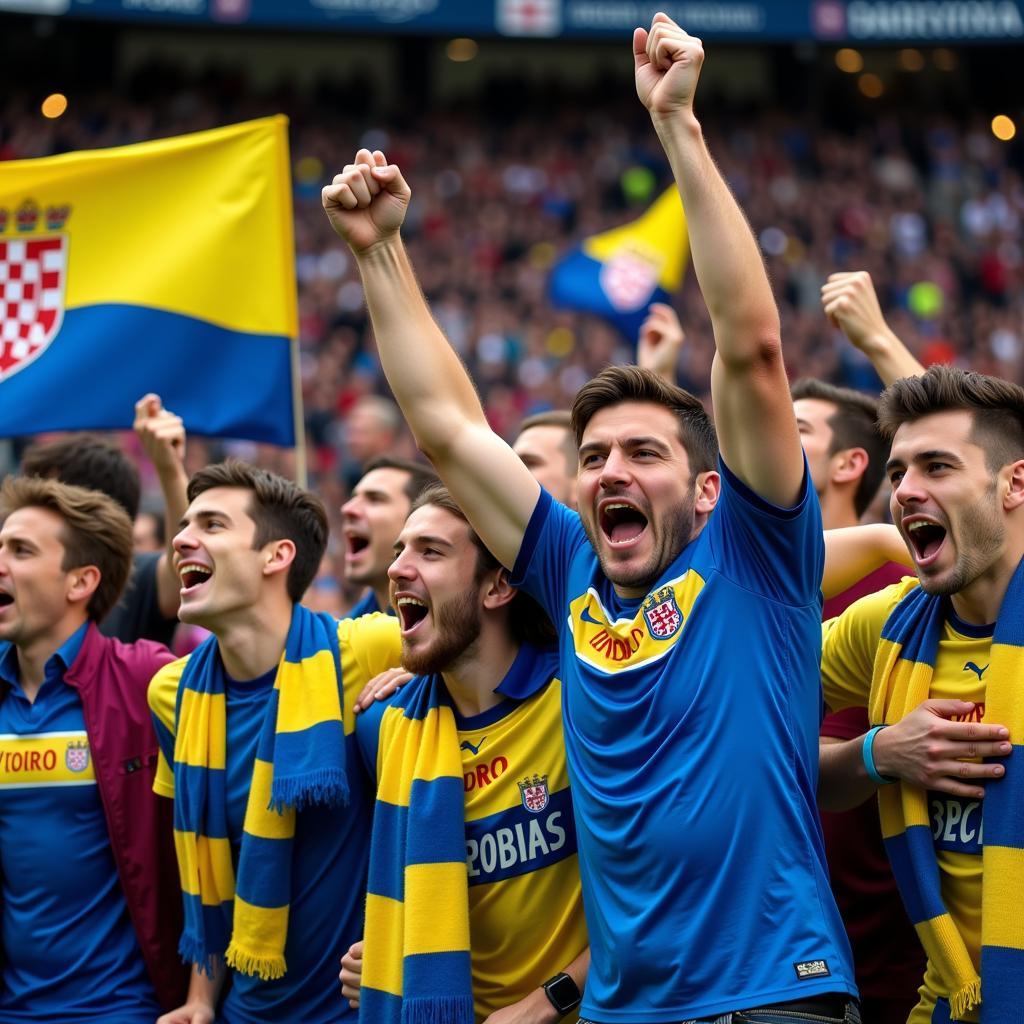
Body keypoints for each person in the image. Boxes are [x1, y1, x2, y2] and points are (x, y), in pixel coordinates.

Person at [323, 15, 856, 1023]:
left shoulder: (757, 557)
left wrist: (677, 126)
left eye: (644, 452)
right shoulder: (566, 567)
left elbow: (747, 347)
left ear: (707, 490)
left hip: (770, 996)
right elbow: (444, 426)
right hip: (620, 1008)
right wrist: (379, 253)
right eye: (596, 454)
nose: (612, 468)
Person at [147, 460, 401, 1024]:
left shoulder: (367, 649)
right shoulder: (170, 692)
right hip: (242, 1011)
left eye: (211, 525)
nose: (181, 539)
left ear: (276, 555)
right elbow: (211, 869)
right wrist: (198, 1001)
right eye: (184, 525)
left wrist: (430, 668)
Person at [818, 364, 1024, 1024]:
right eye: (900, 472)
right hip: (942, 1005)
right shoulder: (889, 623)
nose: (905, 491)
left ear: (1014, 483)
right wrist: (878, 755)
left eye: (936, 467)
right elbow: (734, 709)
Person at [340, 484, 588, 1023]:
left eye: (430, 552)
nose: (399, 569)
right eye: (399, 551)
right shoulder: (384, 727)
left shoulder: (580, 701)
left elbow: (661, 890)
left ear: (498, 585)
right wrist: (388, 959)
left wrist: (549, 1001)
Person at [0, 476, 185, 1020]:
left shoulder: (150, 680)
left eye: (21, 550)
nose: (1, 562)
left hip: (121, 1006)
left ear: (81, 581)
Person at [20, 393, 189, 646]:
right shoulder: (14, 578)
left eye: (49, 502)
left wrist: (169, 468)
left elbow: (183, 568)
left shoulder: (136, 581)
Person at [340, 455, 438, 616]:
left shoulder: (454, 630)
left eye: (374, 499)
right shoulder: (344, 633)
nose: (347, 509)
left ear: (419, 516)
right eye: (353, 498)